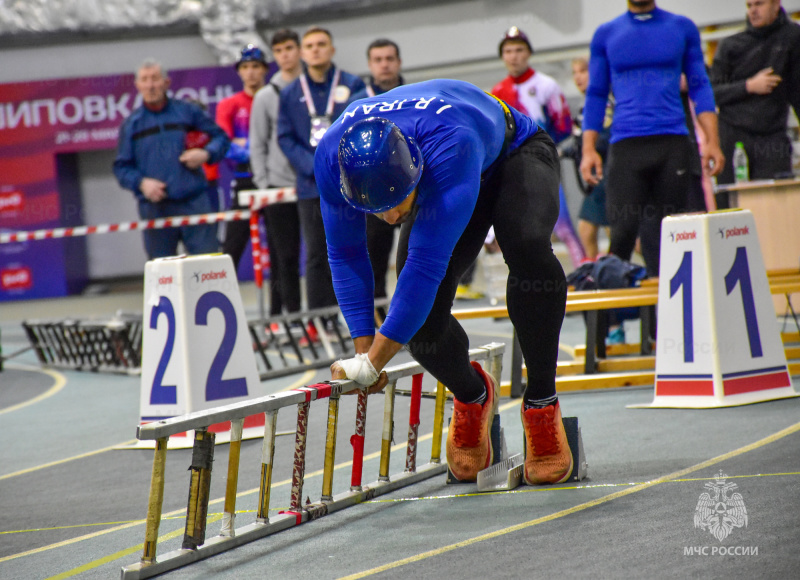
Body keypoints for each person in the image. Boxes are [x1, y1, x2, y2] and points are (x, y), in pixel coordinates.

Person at [316, 79, 573, 486]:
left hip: (511, 152)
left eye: (395, 204)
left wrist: (375, 364)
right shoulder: (332, 156)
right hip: (445, 162)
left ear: (412, 171)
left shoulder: (449, 146)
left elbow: (425, 268)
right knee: (423, 322)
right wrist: (363, 352)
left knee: (525, 247)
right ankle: (472, 396)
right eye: (374, 210)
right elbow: (346, 254)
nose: (387, 218)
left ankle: (541, 402)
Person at [580, 0, 725, 277]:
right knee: (621, 235)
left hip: (672, 143)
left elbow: (699, 85)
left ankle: (665, 320)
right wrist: (588, 148)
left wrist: (713, 141)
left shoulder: (681, 27)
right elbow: (596, 93)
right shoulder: (607, 33)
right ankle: (611, 320)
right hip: (626, 145)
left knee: (671, 235)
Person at [278, 26, 365, 320]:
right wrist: (314, 166)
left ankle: (359, 320)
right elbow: (285, 137)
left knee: (354, 250)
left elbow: (362, 125)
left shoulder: (352, 85)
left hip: (349, 183)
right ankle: (319, 321)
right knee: (317, 255)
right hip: (311, 186)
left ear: (332, 49)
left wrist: (339, 163)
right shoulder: (290, 93)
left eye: (321, 44)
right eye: (310, 45)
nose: (315, 49)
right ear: (303, 53)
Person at [113, 59, 229, 259]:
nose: (151, 85)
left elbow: (221, 138)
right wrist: (141, 183)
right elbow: (122, 168)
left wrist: (206, 154)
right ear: (138, 86)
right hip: (155, 210)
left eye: (155, 79)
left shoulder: (188, 112)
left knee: (206, 268)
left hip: (195, 204)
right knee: (162, 274)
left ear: (166, 83)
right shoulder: (131, 124)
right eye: (145, 80)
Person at [491, 26, 586, 269]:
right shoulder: (497, 92)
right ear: (503, 57)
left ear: (529, 53)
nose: (514, 56)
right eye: (508, 51)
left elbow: (563, 126)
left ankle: (584, 274)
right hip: (511, 167)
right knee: (517, 227)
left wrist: (542, 149)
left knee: (562, 224)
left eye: (519, 50)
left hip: (543, 162)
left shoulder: (547, 85)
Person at [710, 0, 800, 208]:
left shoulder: (791, 38)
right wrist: (749, 86)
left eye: (759, 4)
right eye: (749, 6)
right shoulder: (731, 45)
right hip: (733, 134)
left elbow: (797, 91)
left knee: (778, 205)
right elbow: (712, 93)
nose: (753, 11)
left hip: (772, 135)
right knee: (730, 205)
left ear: (776, 4)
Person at [349, 39, 406, 313]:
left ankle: (416, 313)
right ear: (370, 65)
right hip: (374, 194)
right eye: (378, 59)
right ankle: (379, 317)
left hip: (413, 192)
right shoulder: (357, 103)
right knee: (376, 259)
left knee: (414, 256)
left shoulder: (414, 96)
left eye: (389, 58)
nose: (385, 64)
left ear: (399, 62)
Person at [250, 30, 304, 319]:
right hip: (278, 186)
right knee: (285, 256)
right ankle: (290, 317)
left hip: (313, 185)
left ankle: (325, 318)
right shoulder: (265, 97)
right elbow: (257, 143)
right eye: (279, 50)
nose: (285, 54)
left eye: (289, 48)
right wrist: (263, 185)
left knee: (326, 256)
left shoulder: (314, 88)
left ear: (299, 51)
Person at [217, 44, 270, 271]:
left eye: (256, 66)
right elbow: (225, 147)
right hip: (243, 179)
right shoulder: (228, 105)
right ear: (239, 71)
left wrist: (244, 143)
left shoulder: (273, 99)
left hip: (271, 180)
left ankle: (277, 308)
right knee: (232, 247)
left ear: (264, 70)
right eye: (245, 67)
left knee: (280, 249)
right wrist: (258, 146)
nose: (251, 72)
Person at [564, 56, 612, 261]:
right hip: (597, 177)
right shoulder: (587, 106)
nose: (578, 77)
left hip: (610, 173)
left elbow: (606, 138)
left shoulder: (605, 103)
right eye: (575, 73)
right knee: (587, 229)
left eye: (583, 71)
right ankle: (596, 273)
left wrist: (583, 147)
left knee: (614, 230)